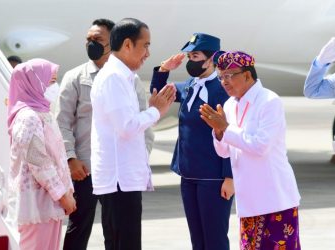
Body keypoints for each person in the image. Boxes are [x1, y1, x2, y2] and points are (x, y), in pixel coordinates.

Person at [55, 18, 155, 250]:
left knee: (116, 232)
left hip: (118, 171)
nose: (91, 44)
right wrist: (70, 158)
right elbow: (63, 122)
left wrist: (139, 158)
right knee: (78, 228)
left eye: (98, 39)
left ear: (114, 42)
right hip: (84, 169)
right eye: (88, 40)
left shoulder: (130, 78)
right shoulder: (76, 77)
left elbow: (143, 124)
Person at [199, 51, 301, 250]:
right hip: (248, 199)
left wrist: (226, 129)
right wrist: (219, 133)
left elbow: (260, 147)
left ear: (247, 75)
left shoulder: (269, 101)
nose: (224, 82)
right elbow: (224, 152)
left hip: (275, 197)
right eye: (221, 77)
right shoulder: (229, 105)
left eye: (229, 76)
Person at [90, 18, 175, 250]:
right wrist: (155, 111)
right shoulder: (114, 78)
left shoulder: (122, 76)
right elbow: (126, 127)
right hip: (119, 181)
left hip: (122, 179)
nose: (148, 53)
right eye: (145, 45)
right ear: (128, 45)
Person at [150, 33, 233, 250]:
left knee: (214, 239)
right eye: (189, 57)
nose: (191, 61)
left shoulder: (222, 91)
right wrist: (163, 70)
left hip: (213, 177)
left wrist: (229, 176)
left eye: (195, 56)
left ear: (211, 59)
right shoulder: (190, 86)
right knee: (197, 238)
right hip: (188, 174)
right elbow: (158, 94)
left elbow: (230, 135)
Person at [6, 58, 76, 250]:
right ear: (34, 83)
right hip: (37, 206)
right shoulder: (28, 117)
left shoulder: (42, 113)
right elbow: (39, 161)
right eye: (51, 81)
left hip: (48, 204)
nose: (55, 86)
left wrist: (66, 191)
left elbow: (56, 157)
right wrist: (62, 194)